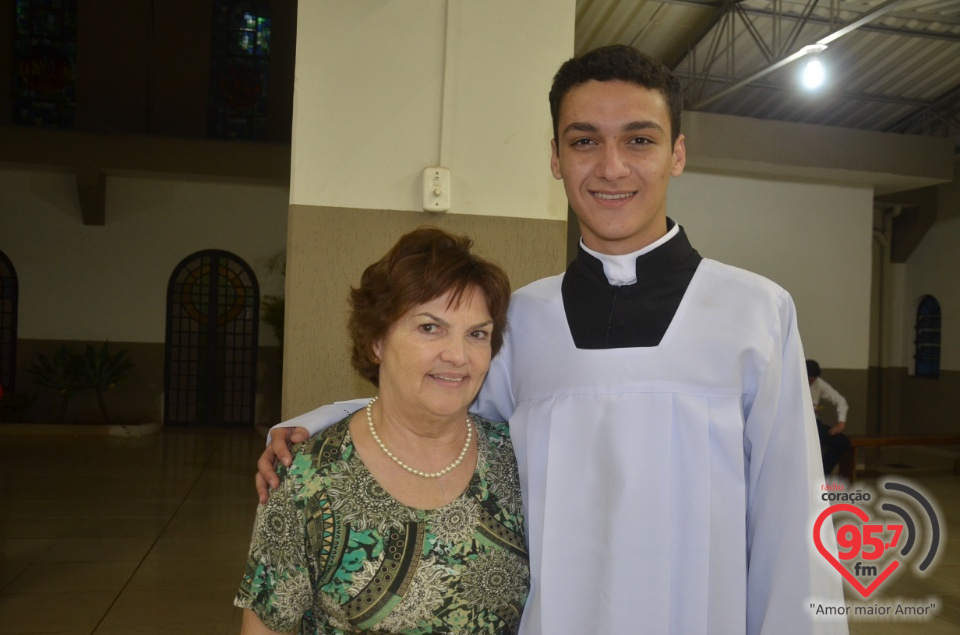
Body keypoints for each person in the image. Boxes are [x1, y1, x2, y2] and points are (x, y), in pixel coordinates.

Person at [258, 46, 846, 634]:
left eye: (639, 140)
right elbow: (442, 422)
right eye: (584, 141)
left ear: (678, 154)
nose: (611, 167)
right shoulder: (524, 318)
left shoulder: (755, 312)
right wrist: (323, 426)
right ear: (556, 159)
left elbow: (792, 520)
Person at [236, 227, 529, 634]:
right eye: (430, 327)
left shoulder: (518, 462)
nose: (458, 355)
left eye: (476, 334)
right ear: (377, 340)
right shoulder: (308, 477)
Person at [807, 359, 852, 475]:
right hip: (795, 426)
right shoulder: (790, 381)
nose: (811, 382)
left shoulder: (818, 383)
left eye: (813, 380)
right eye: (809, 379)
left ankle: (822, 473)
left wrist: (841, 423)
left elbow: (840, 401)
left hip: (813, 424)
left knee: (843, 442)